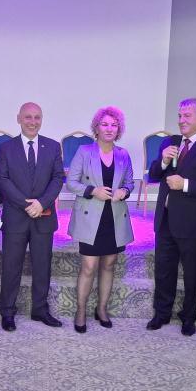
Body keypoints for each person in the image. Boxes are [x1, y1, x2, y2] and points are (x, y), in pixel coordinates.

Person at [146, 98, 196, 336]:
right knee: (163, 270)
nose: (181, 120)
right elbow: (153, 175)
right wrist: (163, 161)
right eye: (180, 116)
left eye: (187, 116)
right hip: (165, 219)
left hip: (194, 223)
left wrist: (185, 184)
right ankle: (161, 313)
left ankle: (189, 316)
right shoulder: (169, 142)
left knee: (192, 273)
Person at [0, 102, 65, 331]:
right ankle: (7, 311)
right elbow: (2, 179)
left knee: (42, 266)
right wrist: (26, 204)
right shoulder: (6, 148)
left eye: (37, 117)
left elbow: (58, 178)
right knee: (11, 266)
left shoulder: (53, 146)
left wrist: (41, 203)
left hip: (43, 216)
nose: (32, 122)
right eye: (28, 117)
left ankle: (40, 309)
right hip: (16, 217)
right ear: (19, 118)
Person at [66, 107, 135, 333]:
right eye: (104, 124)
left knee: (109, 264)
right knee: (88, 266)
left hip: (114, 218)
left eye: (114, 125)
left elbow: (130, 183)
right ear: (96, 128)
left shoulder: (123, 154)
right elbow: (71, 183)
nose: (109, 129)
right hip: (90, 217)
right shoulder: (84, 151)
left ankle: (102, 309)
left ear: (119, 129)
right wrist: (92, 190)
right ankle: (80, 310)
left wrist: (124, 191)